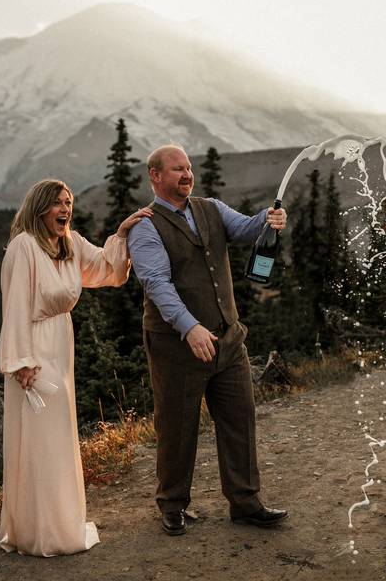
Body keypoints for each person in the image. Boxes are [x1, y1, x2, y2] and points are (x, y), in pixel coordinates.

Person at [127, 144, 289, 536]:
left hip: (229, 338)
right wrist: (190, 327)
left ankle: (246, 503)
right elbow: (157, 285)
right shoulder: (145, 226)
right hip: (176, 345)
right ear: (155, 176)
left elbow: (246, 229)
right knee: (177, 426)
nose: (187, 174)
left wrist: (270, 220)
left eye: (188, 168)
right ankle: (172, 505)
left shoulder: (210, 208)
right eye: (177, 169)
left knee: (239, 419)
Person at [0, 178, 151, 556]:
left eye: (69, 203)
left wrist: (122, 234)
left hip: (61, 347)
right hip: (33, 352)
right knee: (40, 440)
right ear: (39, 208)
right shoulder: (24, 247)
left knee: (59, 438)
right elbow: (15, 303)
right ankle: (39, 531)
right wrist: (21, 362)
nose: (65, 209)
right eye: (57, 204)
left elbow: (106, 269)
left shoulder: (69, 244)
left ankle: (59, 524)